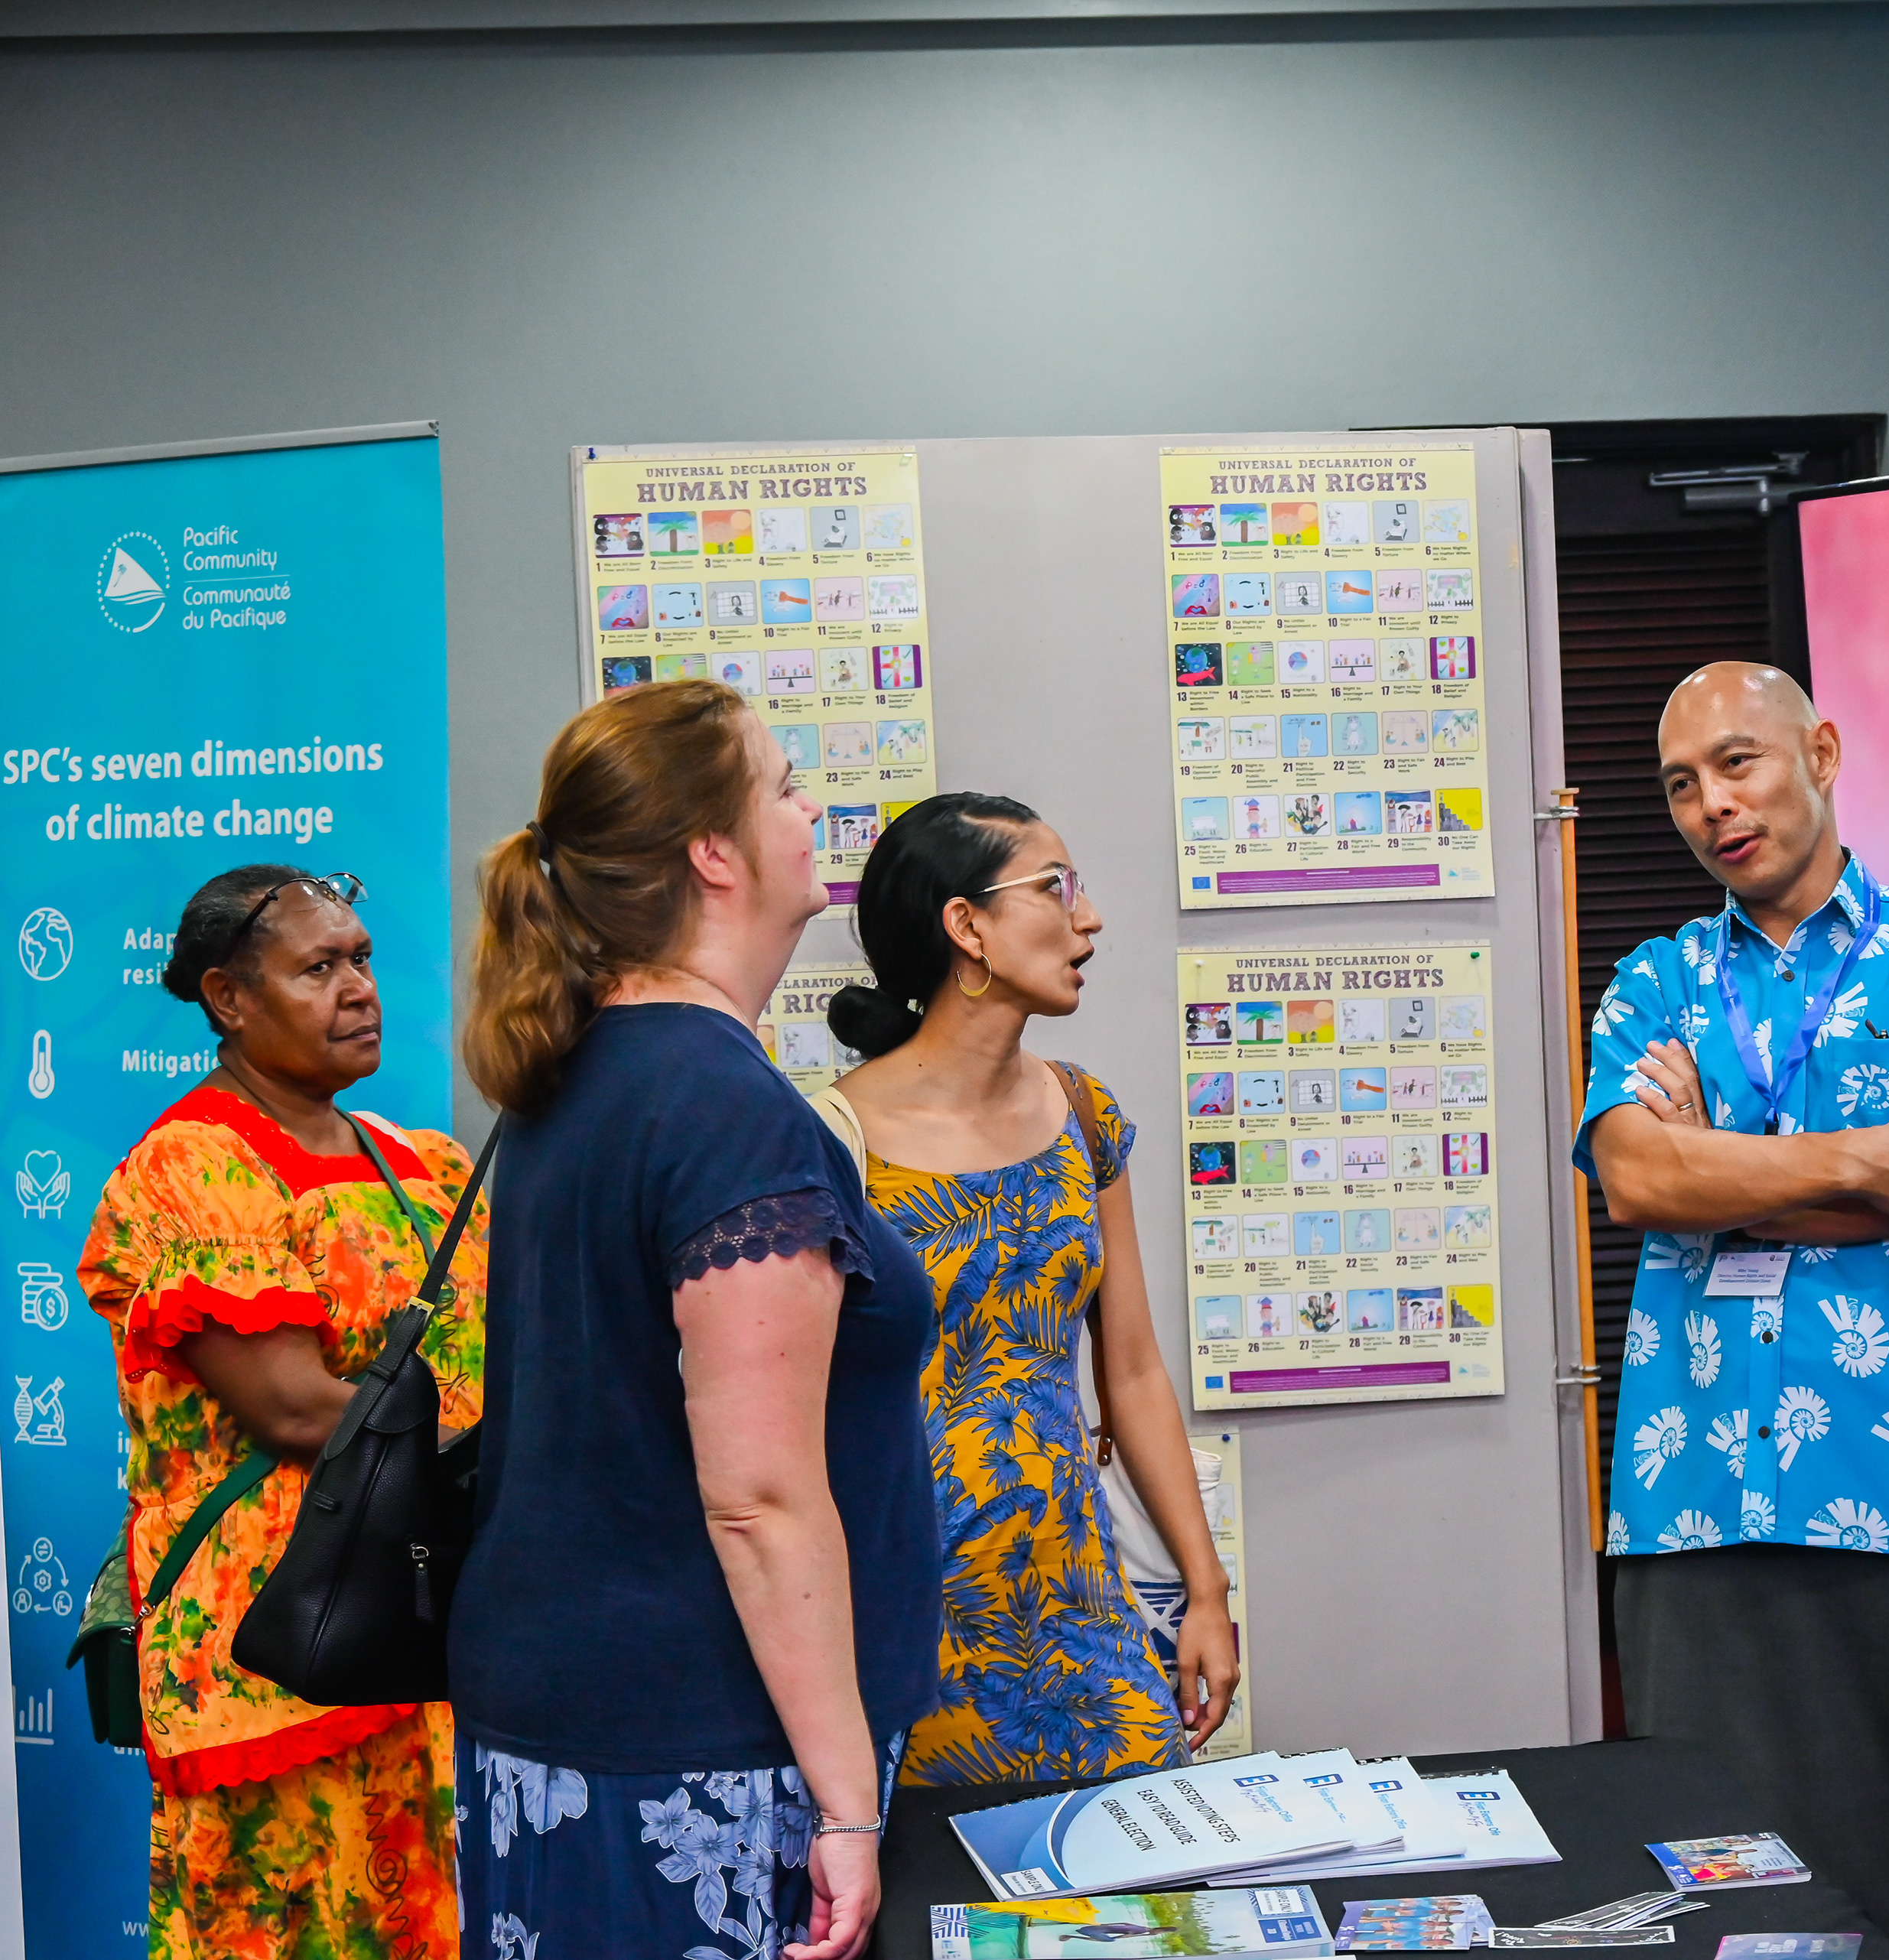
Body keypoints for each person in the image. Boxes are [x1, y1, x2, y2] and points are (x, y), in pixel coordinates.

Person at [448, 680, 939, 1960]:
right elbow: (759, 1497)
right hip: (701, 1758)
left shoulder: (573, 1076)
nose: (811, 806)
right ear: (711, 854)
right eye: (782, 783)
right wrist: (845, 1799)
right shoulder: (727, 1110)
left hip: (567, 1728)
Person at [1579, 661, 1889, 1959]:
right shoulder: (1656, 976)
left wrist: (1720, 1169)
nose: (1711, 806)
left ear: (1823, 752)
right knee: (1713, 1875)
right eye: (1682, 784)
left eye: (1738, 762)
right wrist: (1863, 1160)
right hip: (1695, 1489)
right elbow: (1633, 1176)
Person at [80, 864, 480, 1959]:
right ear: (228, 997)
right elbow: (297, 1408)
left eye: (361, 959)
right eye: (319, 967)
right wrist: (506, 1459)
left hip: (421, 1647)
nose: (360, 988)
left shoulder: (427, 1166)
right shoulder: (189, 1168)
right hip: (275, 1656)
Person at [818, 793, 1241, 1783]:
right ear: (966, 925)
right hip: (902, 1611)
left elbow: (1131, 1369)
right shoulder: (829, 1139)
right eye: (1056, 887)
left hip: (1079, 1601)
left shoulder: (1082, 1111)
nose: (1087, 916)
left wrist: (1206, 1586)